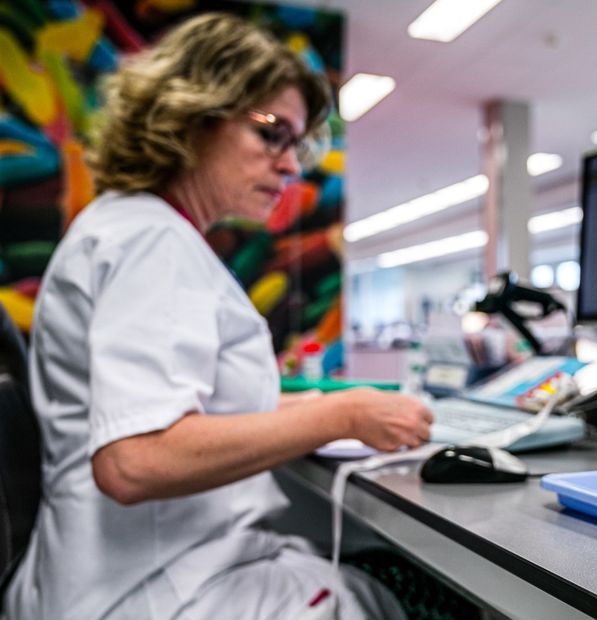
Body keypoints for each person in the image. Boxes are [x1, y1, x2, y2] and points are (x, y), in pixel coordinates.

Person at [3, 13, 432, 620]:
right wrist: (345, 412)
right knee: (403, 593)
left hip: (128, 572)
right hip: (160, 591)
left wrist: (333, 408)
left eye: (299, 144)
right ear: (192, 116)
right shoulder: (151, 241)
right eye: (270, 133)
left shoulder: (131, 228)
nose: (291, 166)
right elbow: (136, 457)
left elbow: (194, 409)